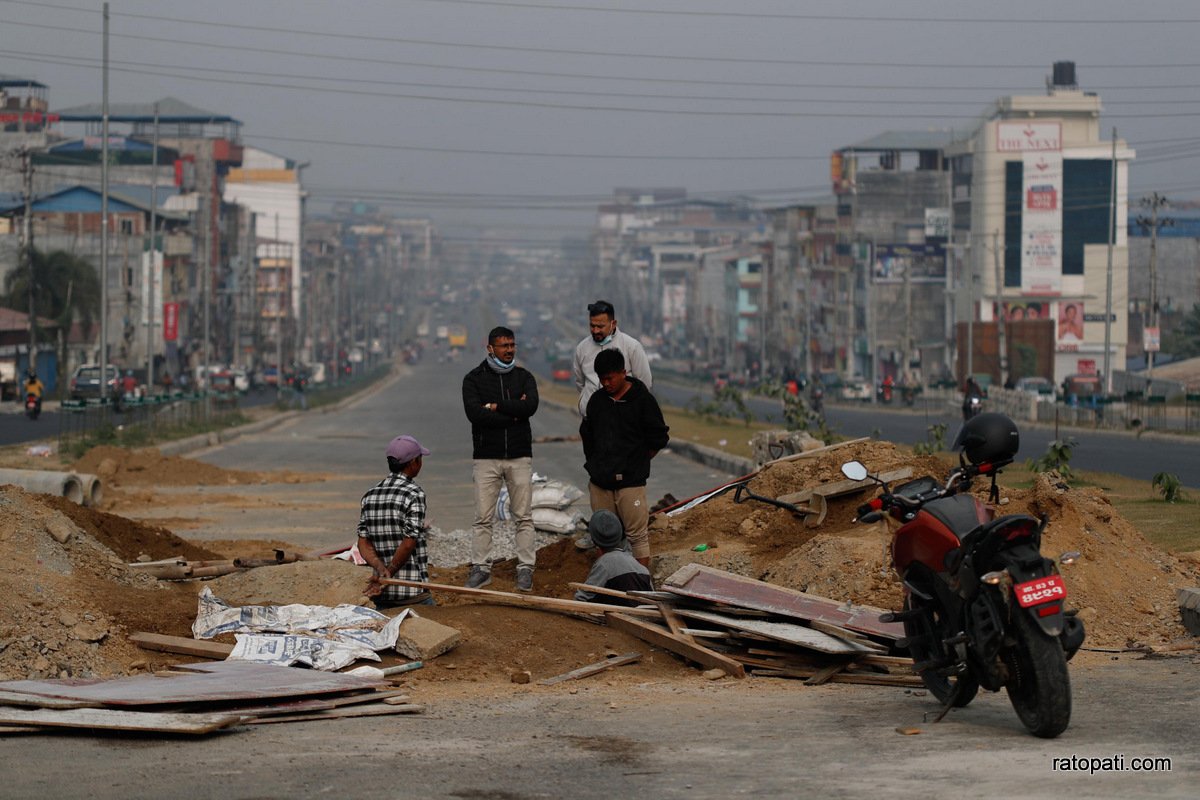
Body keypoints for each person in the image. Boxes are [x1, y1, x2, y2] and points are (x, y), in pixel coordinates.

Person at [462, 326, 540, 592]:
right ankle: (481, 568)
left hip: (519, 456)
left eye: (512, 345)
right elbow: (475, 414)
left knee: (524, 517)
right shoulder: (473, 379)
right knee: (483, 518)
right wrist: (513, 412)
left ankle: (526, 569)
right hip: (486, 458)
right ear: (490, 349)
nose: (509, 350)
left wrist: (495, 405)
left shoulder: (524, 377)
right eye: (503, 346)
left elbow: (530, 406)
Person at [579, 348, 670, 567]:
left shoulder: (643, 400)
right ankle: (609, 585)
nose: (606, 383)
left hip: (631, 483)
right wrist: (596, 464)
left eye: (610, 378)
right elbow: (588, 436)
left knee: (638, 538)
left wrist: (638, 460)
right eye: (602, 379)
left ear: (623, 372)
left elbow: (658, 437)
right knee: (604, 538)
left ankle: (639, 584)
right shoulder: (597, 401)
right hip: (600, 483)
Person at [358, 434, 435, 608]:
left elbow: (363, 542)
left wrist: (380, 569)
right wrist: (390, 572)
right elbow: (409, 543)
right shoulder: (414, 494)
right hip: (411, 592)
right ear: (414, 462)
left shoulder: (370, 495)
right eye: (420, 459)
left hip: (381, 595)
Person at [573, 300, 652, 417]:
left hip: (624, 419)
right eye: (592, 326)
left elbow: (644, 384)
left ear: (613, 324)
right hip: (591, 419)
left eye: (600, 326)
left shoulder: (631, 347)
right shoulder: (582, 348)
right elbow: (580, 383)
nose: (595, 331)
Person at [573, 510, 653, 607]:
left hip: (620, 618)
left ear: (594, 540)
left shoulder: (604, 564)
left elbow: (582, 598)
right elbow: (652, 599)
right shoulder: (642, 569)